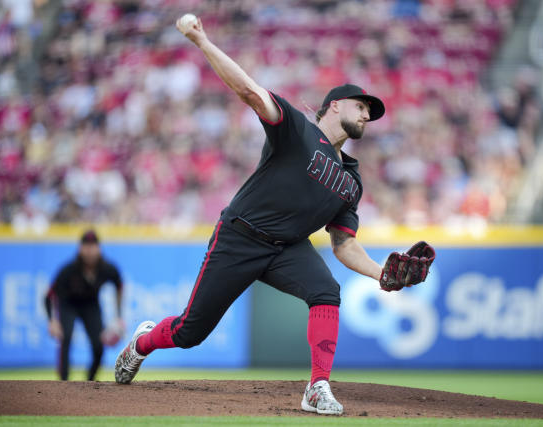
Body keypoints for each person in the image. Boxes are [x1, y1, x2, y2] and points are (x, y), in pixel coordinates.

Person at [114, 15, 424, 416]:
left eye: (370, 111)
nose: (367, 114)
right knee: (190, 332)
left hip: (286, 249)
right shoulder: (297, 129)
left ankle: (317, 387)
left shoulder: (352, 181)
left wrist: (380, 272)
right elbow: (248, 90)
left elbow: (343, 244)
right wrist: (201, 40)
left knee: (327, 291)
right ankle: (142, 342)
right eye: (361, 105)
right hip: (239, 236)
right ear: (334, 105)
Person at [44, 229, 124, 381]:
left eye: (93, 246)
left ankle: (90, 381)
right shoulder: (68, 270)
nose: (90, 251)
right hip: (68, 305)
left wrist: (118, 316)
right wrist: (52, 320)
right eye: (86, 246)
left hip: (90, 305)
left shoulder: (107, 269)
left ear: (99, 248)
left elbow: (119, 285)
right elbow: (48, 296)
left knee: (98, 345)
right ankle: (63, 382)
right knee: (65, 337)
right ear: (80, 249)